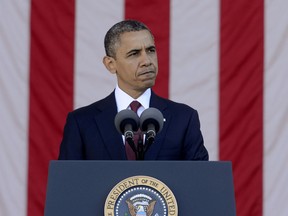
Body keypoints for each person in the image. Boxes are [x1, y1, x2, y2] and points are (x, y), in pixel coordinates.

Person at [58, 20, 208, 160]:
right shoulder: (81, 123)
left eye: (150, 50)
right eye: (134, 54)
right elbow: (68, 184)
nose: (147, 61)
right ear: (110, 64)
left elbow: (200, 181)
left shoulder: (184, 119)